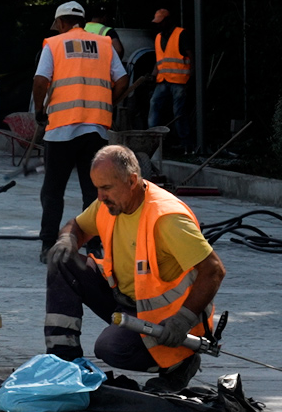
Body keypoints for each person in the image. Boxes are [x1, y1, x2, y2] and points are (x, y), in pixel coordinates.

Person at [42, 144, 225, 391]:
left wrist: (182, 320)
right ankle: (63, 361)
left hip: (164, 318)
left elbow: (214, 270)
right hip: (125, 299)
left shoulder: (166, 218)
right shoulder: (108, 205)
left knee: (111, 349)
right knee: (61, 258)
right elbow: (77, 225)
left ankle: (180, 364)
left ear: (132, 181)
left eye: (106, 188)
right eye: (96, 188)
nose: (100, 196)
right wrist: (68, 238)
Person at [32, 0, 127, 261]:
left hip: (61, 130)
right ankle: (94, 246)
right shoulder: (104, 44)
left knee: (53, 191)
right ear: (83, 22)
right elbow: (122, 80)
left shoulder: (54, 44)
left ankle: (48, 245)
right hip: (95, 131)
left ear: (61, 23)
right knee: (94, 191)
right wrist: (109, 104)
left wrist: (39, 110)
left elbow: (40, 80)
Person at [147, 8, 192, 144]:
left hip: (179, 81)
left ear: (168, 21)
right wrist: (153, 75)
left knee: (178, 112)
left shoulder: (181, 34)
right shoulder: (159, 37)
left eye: (161, 22)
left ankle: (185, 143)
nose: (158, 25)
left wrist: (192, 78)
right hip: (163, 80)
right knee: (154, 104)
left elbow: (192, 56)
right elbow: (160, 59)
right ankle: (153, 139)